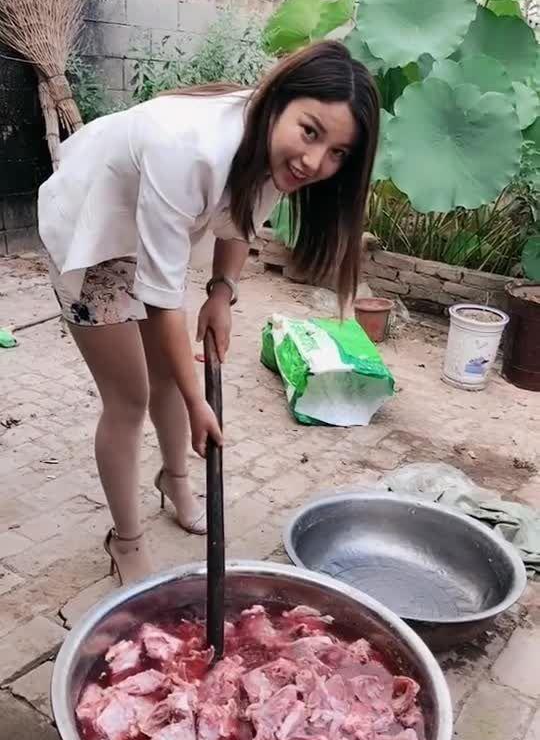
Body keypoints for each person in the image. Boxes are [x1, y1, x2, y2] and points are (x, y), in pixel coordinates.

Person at [38, 40, 380, 585]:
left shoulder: (275, 147)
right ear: (279, 101)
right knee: (130, 398)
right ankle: (126, 541)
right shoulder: (186, 147)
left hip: (147, 230)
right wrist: (200, 403)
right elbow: (163, 300)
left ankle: (174, 480)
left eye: (338, 152)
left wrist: (222, 291)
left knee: (168, 379)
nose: (315, 162)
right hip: (91, 229)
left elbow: (242, 216)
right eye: (310, 132)